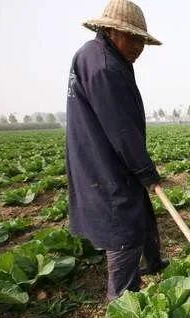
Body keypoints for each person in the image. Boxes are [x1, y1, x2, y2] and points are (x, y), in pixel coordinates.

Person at [65, 0, 167, 300]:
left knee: (138, 215)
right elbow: (122, 129)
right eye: (134, 38)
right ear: (111, 31)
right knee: (124, 231)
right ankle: (122, 309)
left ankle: (155, 263)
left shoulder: (95, 56)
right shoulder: (105, 66)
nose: (140, 46)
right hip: (106, 165)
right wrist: (146, 171)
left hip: (100, 158)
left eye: (142, 40)